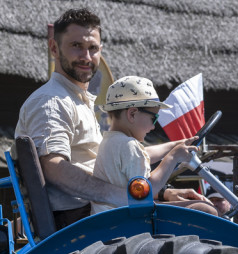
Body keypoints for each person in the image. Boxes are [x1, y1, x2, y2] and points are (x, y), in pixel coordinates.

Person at [14, 8, 206, 228]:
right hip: (82, 220)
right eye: (76, 46)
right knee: (205, 213)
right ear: (54, 48)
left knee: (206, 207)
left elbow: (116, 162)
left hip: (98, 211)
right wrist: (127, 197)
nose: (86, 57)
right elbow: (54, 168)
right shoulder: (51, 102)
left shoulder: (77, 100)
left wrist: (164, 192)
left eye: (92, 48)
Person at [92, 76, 215, 215]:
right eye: (153, 118)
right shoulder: (129, 146)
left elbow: (145, 154)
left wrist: (175, 145)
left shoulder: (111, 141)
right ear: (132, 114)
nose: (153, 127)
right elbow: (147, 192)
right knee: (206, 209)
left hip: (112, 215)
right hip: (127, 220)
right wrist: (173, 157)